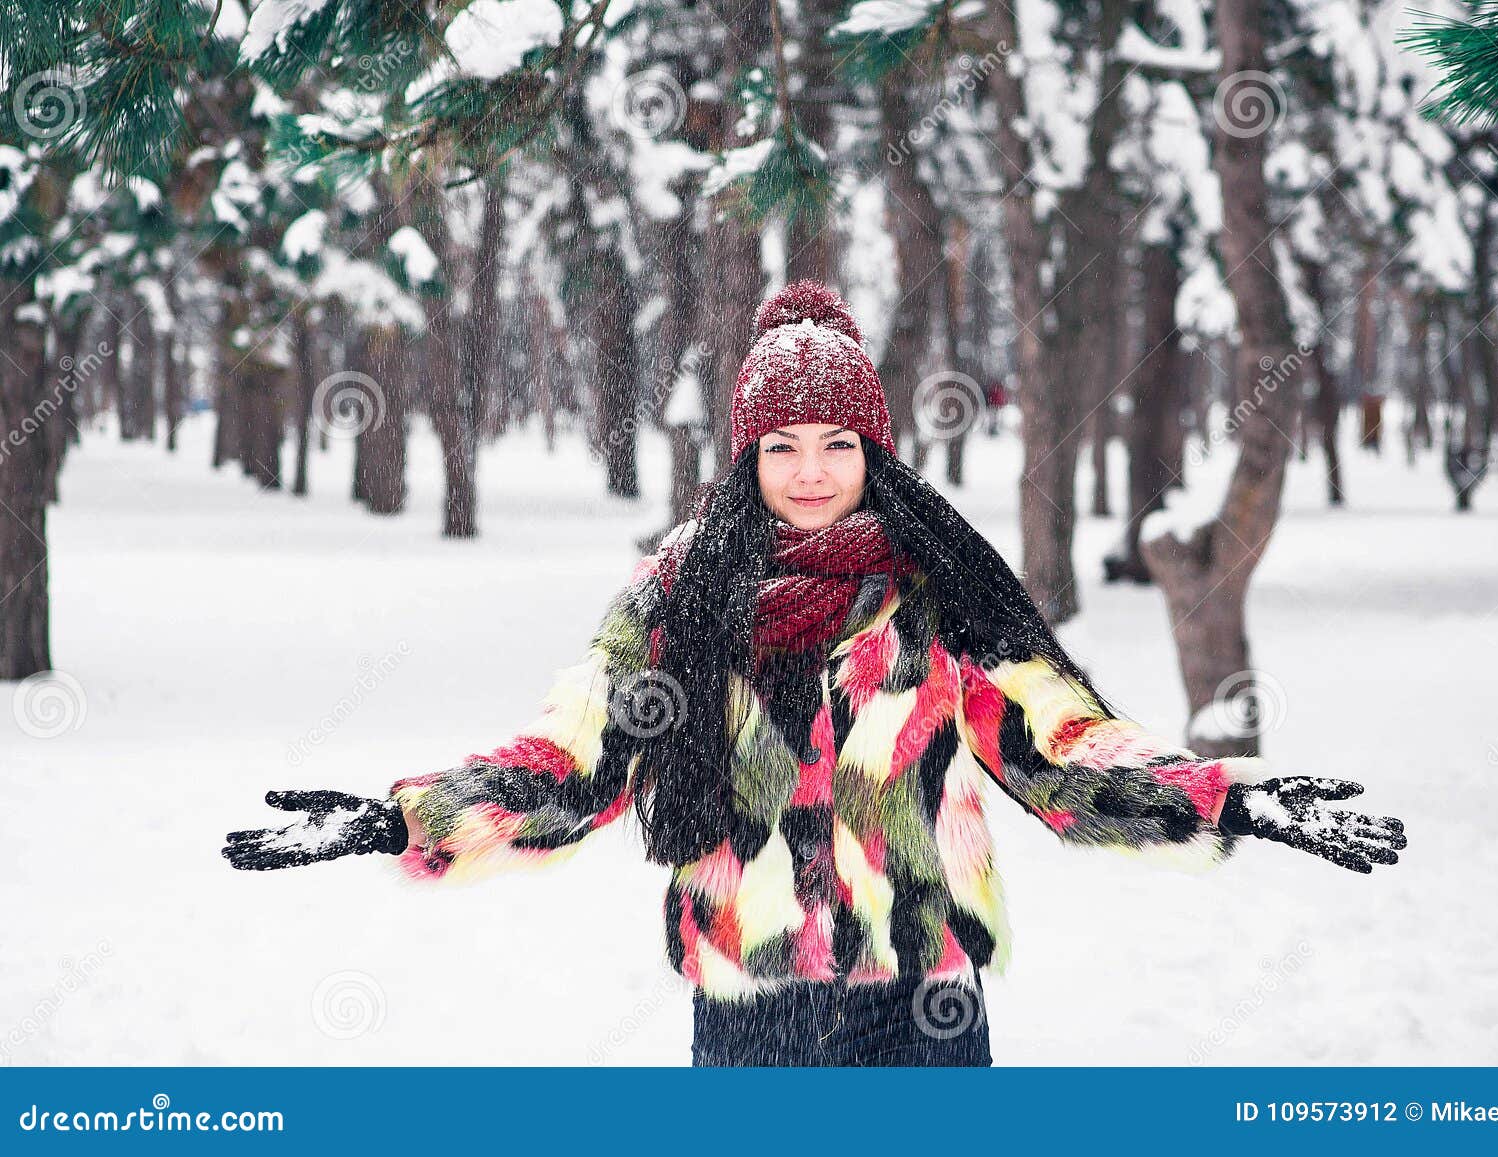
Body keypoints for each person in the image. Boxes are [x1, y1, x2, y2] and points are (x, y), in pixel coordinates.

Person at [222, 279, 1407, 1067]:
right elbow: (577, 759)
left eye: (835, 443)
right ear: (747, 452)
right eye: (781, 446)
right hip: (752, 1008)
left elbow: (1059, 750)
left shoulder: (944, 586)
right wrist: (406, 818)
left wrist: (1226, 797)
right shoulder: (678, 596)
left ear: (871, 447)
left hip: (926, 1005)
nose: (807, 470)